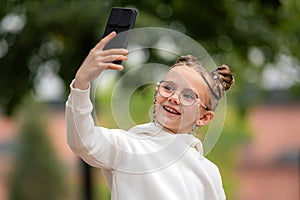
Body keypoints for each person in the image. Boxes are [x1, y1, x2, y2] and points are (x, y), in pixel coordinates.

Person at [66, 31, 234, 200]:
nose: (174, 98)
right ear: (156, 92)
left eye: (188, 96)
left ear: (204, 118)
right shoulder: (128, 146)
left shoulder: (209, 173)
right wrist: (81, 83)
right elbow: (83, 140)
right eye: (168, 88)